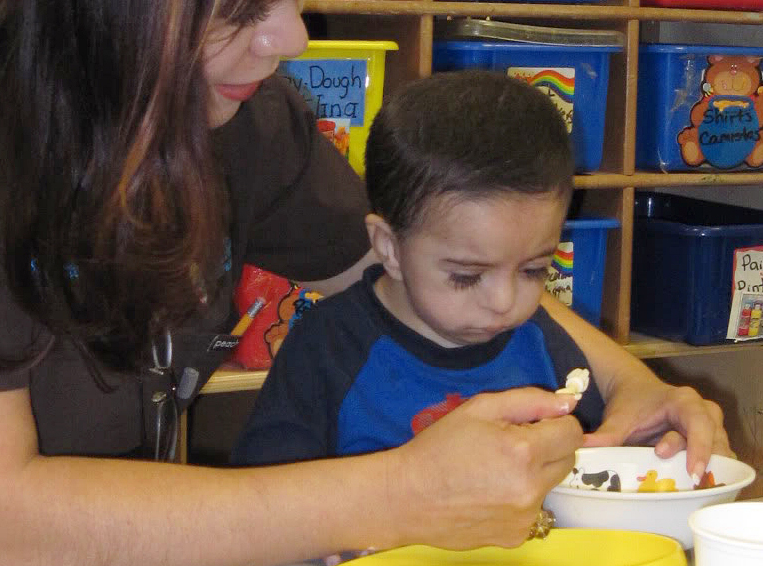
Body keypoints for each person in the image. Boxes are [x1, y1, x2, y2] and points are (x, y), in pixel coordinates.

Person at [0, 1, 731, 565]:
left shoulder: (242, 124)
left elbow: (423, 265)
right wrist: (398, 497)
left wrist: (629, 381)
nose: (290, 36)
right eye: (237, 8)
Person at [231, 71, 608, 471]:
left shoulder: (542, 343)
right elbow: (272, 505)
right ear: (389, 248)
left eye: (534, 270)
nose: (505, 303)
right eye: (467, 276)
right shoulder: (326, 352)